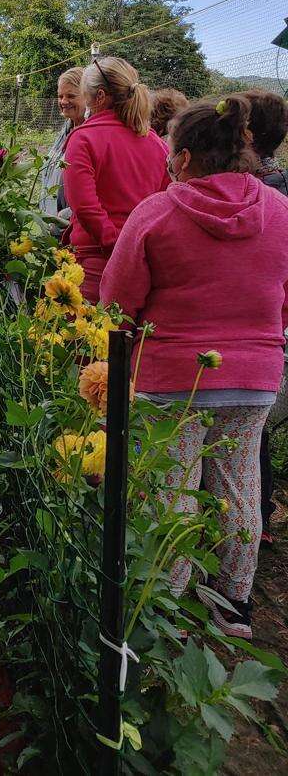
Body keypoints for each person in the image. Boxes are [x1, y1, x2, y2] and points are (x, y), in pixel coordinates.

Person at [100, 95, 288, 639]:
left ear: (182, 159)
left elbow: (117, 301)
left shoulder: (157, 211)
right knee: (239, 486)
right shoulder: (278, 212)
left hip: (173, 377)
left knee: (172, 491)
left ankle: (163, 607)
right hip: (254, 377)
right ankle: (234, 605)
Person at [62, 56, 169, 302]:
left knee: (83, 337)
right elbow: (166, 203)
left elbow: (85, 208)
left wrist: (117, 247)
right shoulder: (155, 142)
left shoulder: (84, 138)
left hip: (94, 263)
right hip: (143, 265)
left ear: (99, 97)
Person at [243, 89, 288, 544]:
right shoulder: (284, 187)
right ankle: (260, 514)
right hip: (268, 337)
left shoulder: (261, 194)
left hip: (228, 342)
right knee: (254, 438)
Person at [39, 67, 85, 220]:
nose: (64, 101)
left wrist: (66, 217)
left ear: (87, 96)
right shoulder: (66, 129)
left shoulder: (91, 134)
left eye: (71, 96)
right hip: (53, 225)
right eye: (60, 96)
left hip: (71, 228)